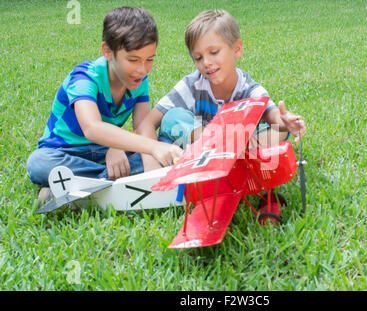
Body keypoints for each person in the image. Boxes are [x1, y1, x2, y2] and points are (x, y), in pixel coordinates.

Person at [26, 6, 182, 205]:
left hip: (105, 152)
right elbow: (92, 128)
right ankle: (112, 180)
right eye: (133, 60)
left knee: (165, 145)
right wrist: (150, 148)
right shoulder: (83, 77)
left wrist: (152, 170)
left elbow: (143, 128)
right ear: (108, 51)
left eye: (149, 59)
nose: (142, 70)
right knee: (38, 164)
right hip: (65, 153)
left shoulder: (139, 80)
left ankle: (73, 188)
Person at [139, 9, 306, 153]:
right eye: (198, 58)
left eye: (214, 52)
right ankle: (219, 151)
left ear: (237, 49)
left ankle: (228, 154)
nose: (206, 63)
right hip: (197, 148)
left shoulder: (249, 90)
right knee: (173, 117)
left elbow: (272, 115)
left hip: (237, 145)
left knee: (278, 131)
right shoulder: (192, 86)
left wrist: (285, 121)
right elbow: (149, 123)